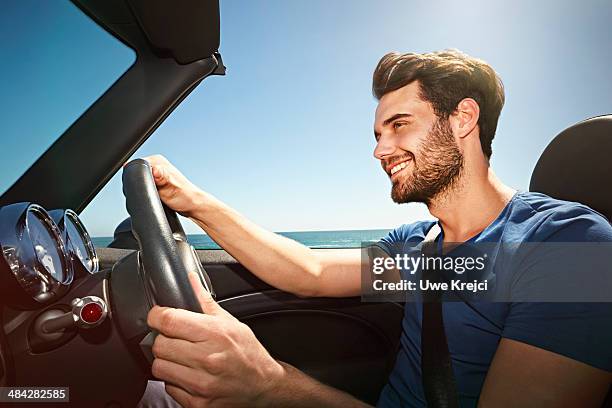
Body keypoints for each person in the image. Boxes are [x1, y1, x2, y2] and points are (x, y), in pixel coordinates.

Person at [137, 50, 612, 407]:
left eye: (399, 125)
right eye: (377, 134)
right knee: (163, 390)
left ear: (464, 118)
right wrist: (194, 202)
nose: (380, 151)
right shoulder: (417, 247)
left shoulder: (568, 247)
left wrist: (268, 386)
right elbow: (310, 270)